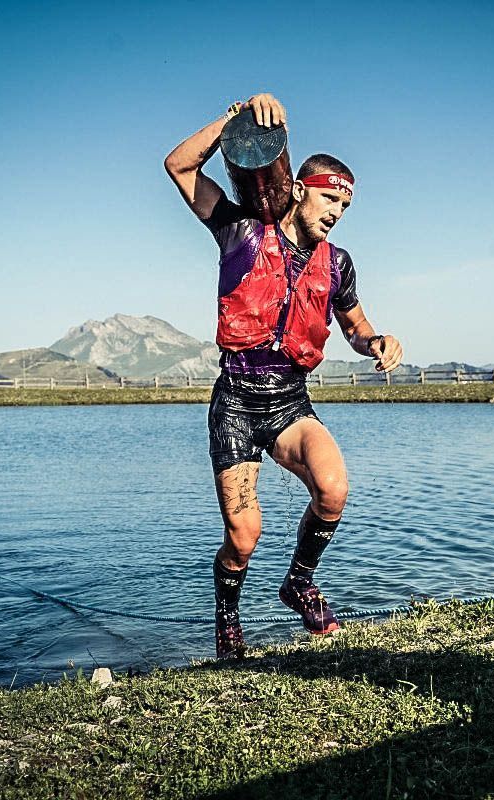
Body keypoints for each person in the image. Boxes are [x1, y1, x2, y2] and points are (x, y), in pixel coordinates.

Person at [164, 93, 403, 658]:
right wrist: (234, 120)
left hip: (290, 401)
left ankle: (299, 583)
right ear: (299, 189)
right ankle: (228, 618)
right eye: (329, 199)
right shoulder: (240, 231)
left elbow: (356, 326)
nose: (336, 212)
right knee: (244, 536)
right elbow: (179, 166)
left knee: (333, 488)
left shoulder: (338, 263)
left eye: (344, 206)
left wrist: (377, 342)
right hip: (237, 402)